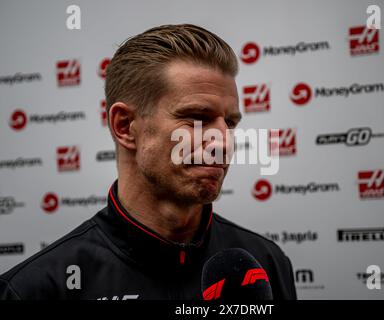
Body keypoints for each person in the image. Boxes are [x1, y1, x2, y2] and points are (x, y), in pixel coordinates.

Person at [0, 24, 297, 300]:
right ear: (125, 126)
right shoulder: (35, 289)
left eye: (230, 123)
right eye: (197, 118)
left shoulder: (266, 263)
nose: (223, 141)